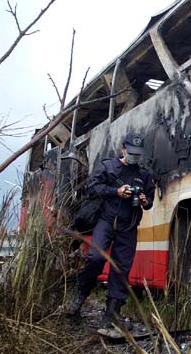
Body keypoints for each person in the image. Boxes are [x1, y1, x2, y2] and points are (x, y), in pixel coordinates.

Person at [66, 133, 155, 328]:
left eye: (138, 154)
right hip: (106, 221)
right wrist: (116, 191)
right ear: (123, 149)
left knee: (122, 269)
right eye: (131, 152)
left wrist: (144, 201)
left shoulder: (144, 175)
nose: (135, 157)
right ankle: (80, 295)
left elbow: (149, 201)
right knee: (95, 258)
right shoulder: (108, 167)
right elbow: (92, 189)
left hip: (129, 226)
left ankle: (112, 312)